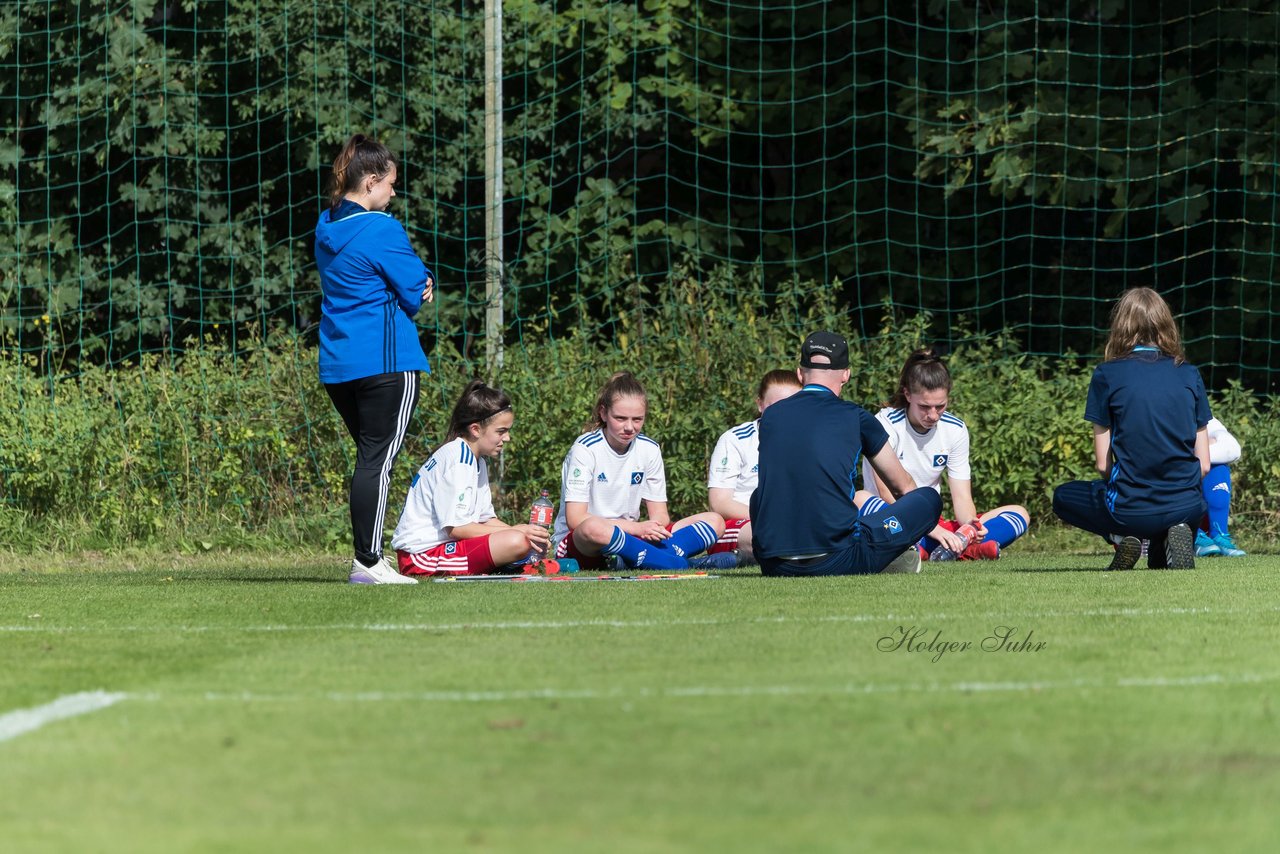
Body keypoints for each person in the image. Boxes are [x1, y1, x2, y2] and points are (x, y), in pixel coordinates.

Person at [315, 134, 433, 585]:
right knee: (377, 462)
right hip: (387, 363)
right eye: (390, 185)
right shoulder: (382, 228)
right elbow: (412, 290)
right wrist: (426, 282)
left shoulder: (325, 227)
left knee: (369, 460)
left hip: (339, 365)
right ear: (370, 182)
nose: (394, 193)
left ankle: (367, 558)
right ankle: (367, 562)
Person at [750, 331, 943, 577]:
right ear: (846, 374)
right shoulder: (856, 417)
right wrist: (908, 528)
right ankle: (894, 554)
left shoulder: (771, 417)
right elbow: (903, 486)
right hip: (838, 559)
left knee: (759, 495)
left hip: (774, 564)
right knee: (927, 499)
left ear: (800, 374)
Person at [1052, 287, 1210, 570]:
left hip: (1130, 509)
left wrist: (1136, 486)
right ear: (1166, 324)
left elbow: (1103, 464)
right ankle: (1167, 538)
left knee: (1063, 496)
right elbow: (1205, 465)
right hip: (1187, 505)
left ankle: (1124, 535)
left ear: (1121, 326)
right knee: (1168, 524)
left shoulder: (1106, 374)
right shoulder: (1189, 373)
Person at [857, 350, 1030, 561]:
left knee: (1019, 513)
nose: (933, 415)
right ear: (907, 394)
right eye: (924, 407)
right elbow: (887, 494)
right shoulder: (885, 424)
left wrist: (969, 527)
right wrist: (933, 530)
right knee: (860, 499)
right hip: (892, 517)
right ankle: (951, 549)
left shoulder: (955, 429)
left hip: (933, 523)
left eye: (940, 406)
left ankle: (952, 548)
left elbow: (962, 497)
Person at [551, 372, 726, 570]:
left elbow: (660, 514)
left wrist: (653, 528)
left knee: (715, 521)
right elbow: (576, 519)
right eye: (620, 418)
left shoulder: (649, 448)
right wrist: (636, 528)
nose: (629, 427)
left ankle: (634, 559)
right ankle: (675, 561)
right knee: (594, 528)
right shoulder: (585, 449)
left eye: (637, 419)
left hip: (632, 536)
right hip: (586, 542)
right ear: (603, 413)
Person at [390, 380, 551, 577]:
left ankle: (515, 561)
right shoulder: (458, 459)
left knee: (521, 540)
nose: (507, 438)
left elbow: (486, 519)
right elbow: (456, 528)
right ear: (475, 429)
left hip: (448, 546)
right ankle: (512, 563)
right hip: (421, 556)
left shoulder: (476, 461)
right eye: (501, 431)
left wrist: (527, 534)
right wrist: (518, 533)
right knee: (516, 542)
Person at [705, 370, 804, 564]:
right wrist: (771, 516)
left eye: (792, 407)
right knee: (775, 534)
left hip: (789, 523)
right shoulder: (735, 440)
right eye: (776, 407)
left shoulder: (807, 441)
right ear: (760, 404)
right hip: (739, 524)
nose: (784, 414)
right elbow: (719, 503)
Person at [1196, 417, 1246, 557]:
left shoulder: (1197, 412)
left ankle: (1219, 535)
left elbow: (1232, 449)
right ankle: (1191, 534)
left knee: (1218, 466)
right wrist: (1202, 446)